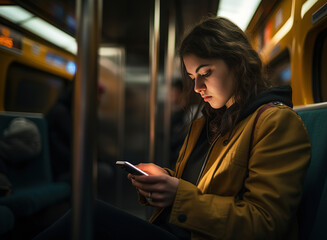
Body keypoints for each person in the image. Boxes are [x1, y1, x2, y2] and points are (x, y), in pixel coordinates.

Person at [33, 16, 311, 240]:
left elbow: (265, 223)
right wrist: (161, 181)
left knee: (90, 216)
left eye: (205, 74)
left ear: (238, 65)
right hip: (184, 230)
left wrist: (178, 195)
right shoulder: (209, 122)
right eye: (192, 77)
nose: (197, 88)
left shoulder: (275, 123)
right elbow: (197, 188)